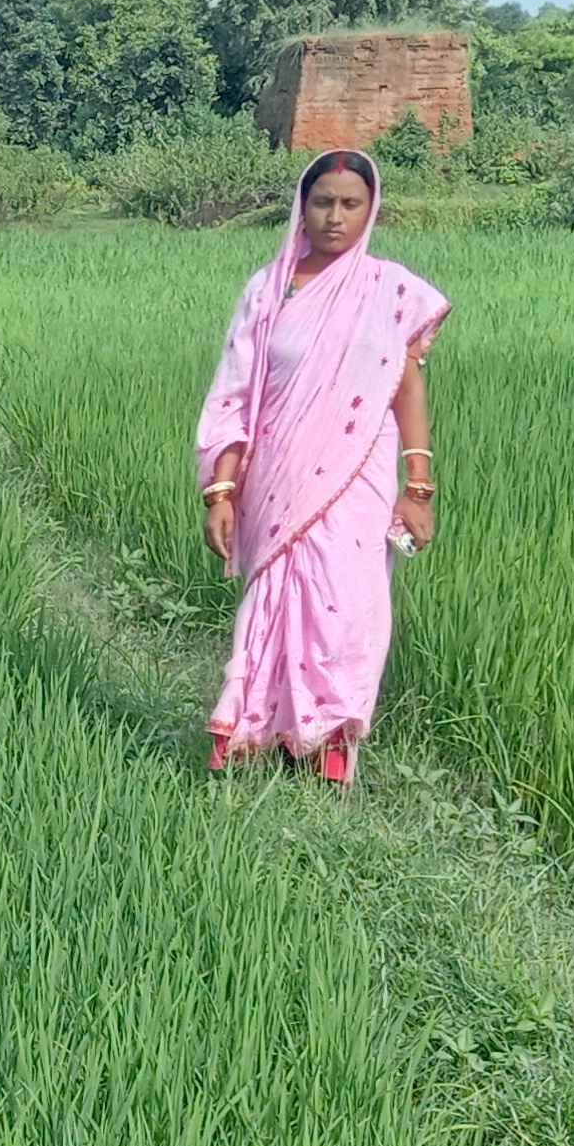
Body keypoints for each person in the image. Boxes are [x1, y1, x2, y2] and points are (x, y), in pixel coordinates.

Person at [193, 149, 446, 785]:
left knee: (346, 602)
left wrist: (417, 487)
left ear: (371, 210)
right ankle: (257, 728)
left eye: (351, 204)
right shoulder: (269, 288)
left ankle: (329, 739)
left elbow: (406, 387)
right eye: (323, 202)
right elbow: (235, 393)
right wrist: (221, 490)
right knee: (276, 597)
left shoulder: (389, 290)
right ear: (301, 208)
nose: (336, 217)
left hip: (357, 475)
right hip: (277, 476)